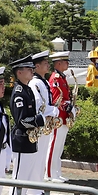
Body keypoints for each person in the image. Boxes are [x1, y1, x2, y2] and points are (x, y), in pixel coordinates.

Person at [9, 55, 46, 195]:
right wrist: (39, 120)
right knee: (19, 180)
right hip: (22, 140)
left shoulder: (28, 90)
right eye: (29, 69)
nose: (32, 71)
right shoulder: (19, 92)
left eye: (32, 68)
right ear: (19, 72)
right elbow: (21, 121)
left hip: (30, 140)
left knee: (25, 181)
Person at [27, 51, 58, 187]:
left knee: (42, 155)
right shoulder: (35, 83)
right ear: (37, 66)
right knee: (38, 156)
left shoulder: (43, 81)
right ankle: (34, 187)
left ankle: (38, 185)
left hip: (47, 123)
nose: (48, 65)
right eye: (44, 63)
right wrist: (54, 110)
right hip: (41, 123)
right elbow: (39, 106)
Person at [46, 51, 74, 182]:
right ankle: (50, 174)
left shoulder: (62, 77)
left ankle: (56, 172)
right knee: (54, 145)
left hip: (64, 117)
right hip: (58, 117)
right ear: (58, 63)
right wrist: (67, 105)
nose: (67, 63)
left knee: (59, 146)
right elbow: (57, 99)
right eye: (65, 61)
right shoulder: (56, 78)